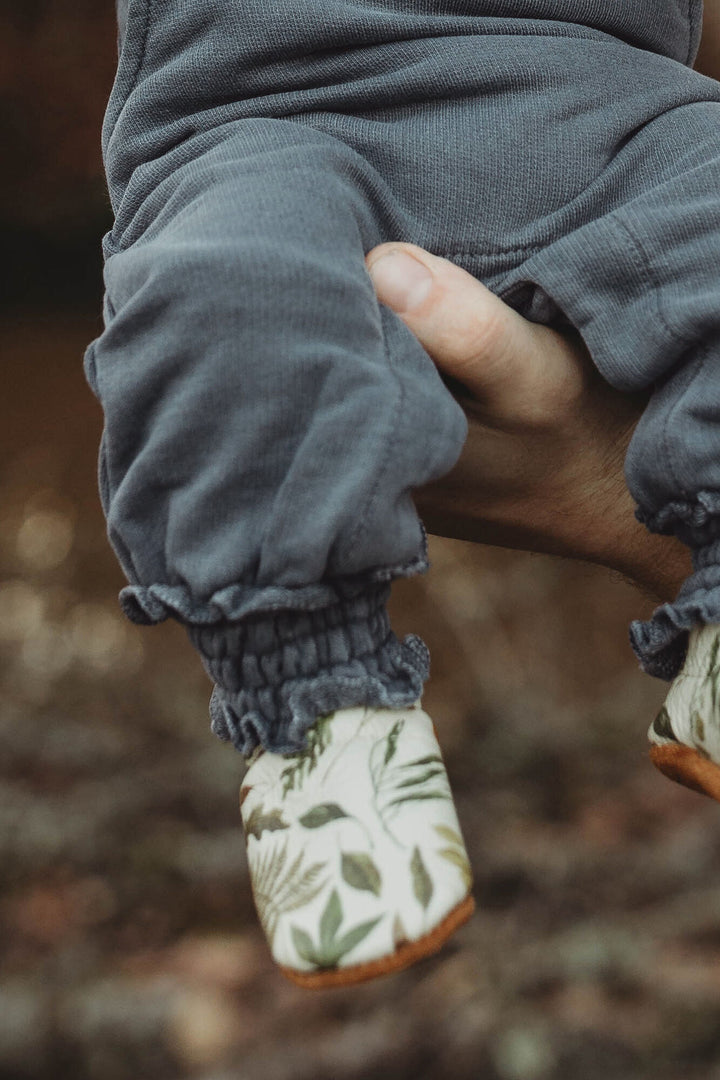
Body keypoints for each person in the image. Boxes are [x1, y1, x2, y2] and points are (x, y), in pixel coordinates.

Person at [86, 0, 720, 986]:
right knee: (227, 290)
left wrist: (606, 491)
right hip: (273, 117)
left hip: (609, 108)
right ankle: (320, 734)